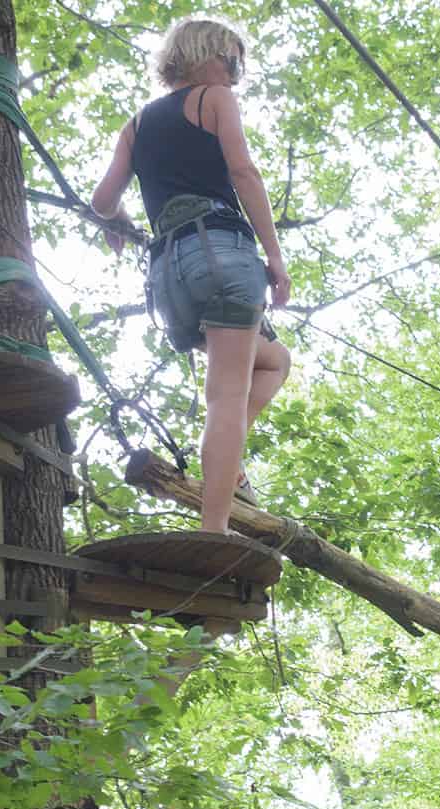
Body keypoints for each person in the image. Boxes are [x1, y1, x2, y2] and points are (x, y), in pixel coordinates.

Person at [91, 15, 291, 535]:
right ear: (205, 55)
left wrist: (116, 222)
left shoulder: (134, 126)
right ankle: (214, 530)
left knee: (272, 362)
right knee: (224, 397)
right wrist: (275, 257)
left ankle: (227, 462)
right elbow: (244, 173)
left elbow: (102, 201)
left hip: (170, 280)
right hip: (222, 252)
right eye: (231, 62)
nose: (234, 75)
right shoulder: (213, 100)